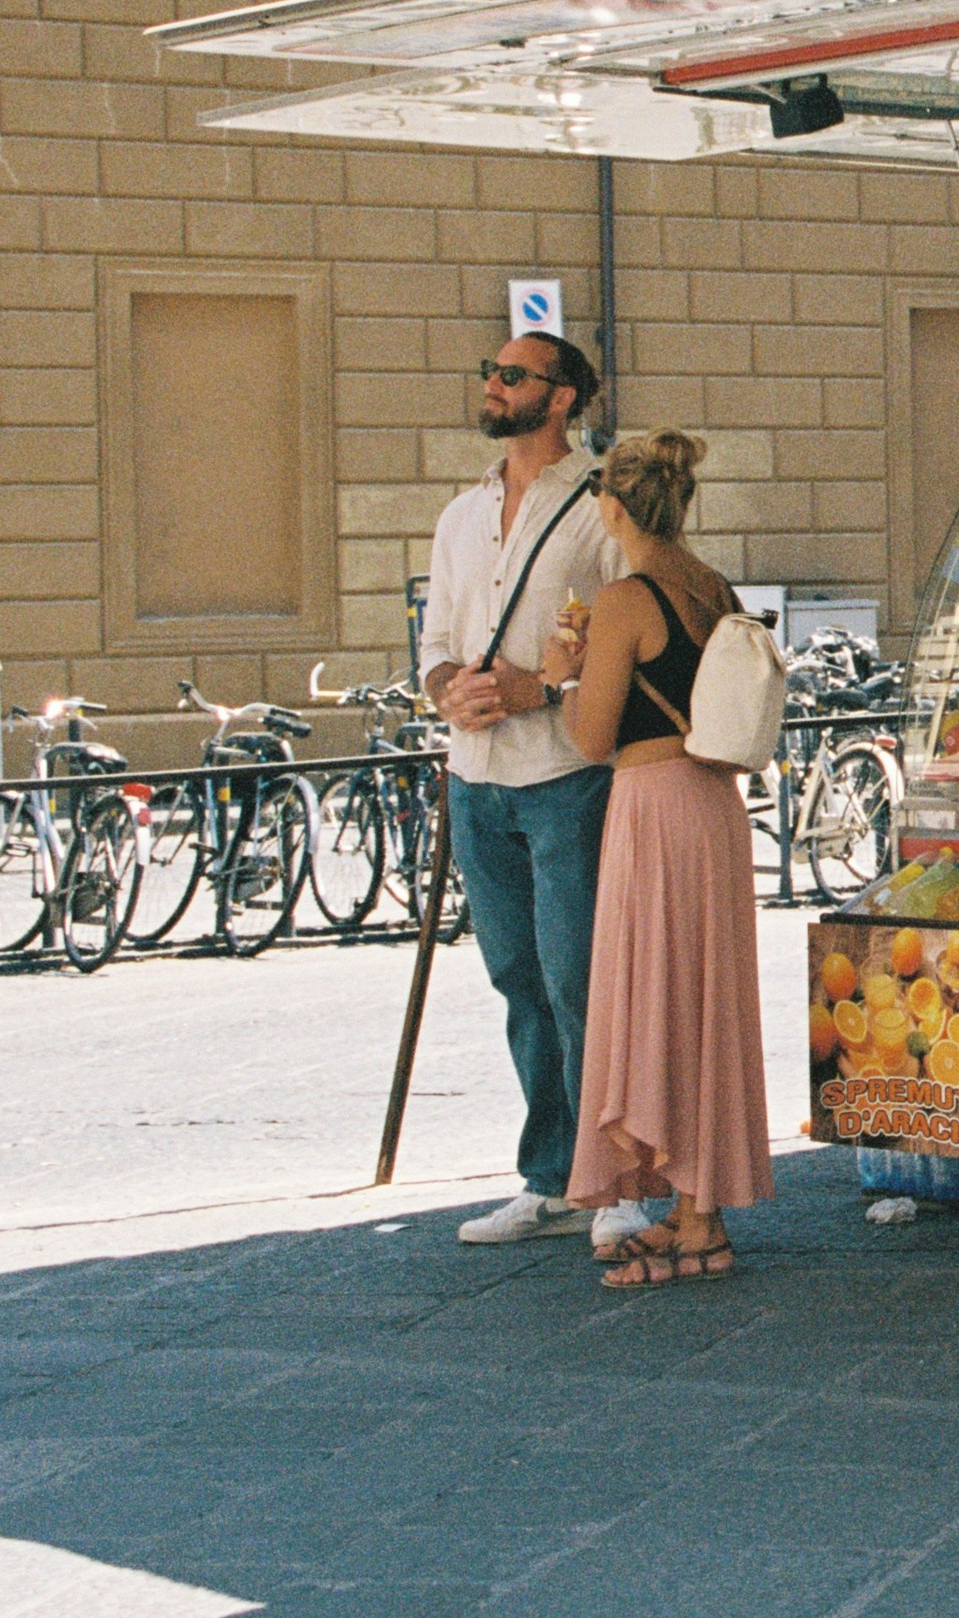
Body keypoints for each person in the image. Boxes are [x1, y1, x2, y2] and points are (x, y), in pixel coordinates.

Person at [539, 429, 774, 1288]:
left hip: (653, 805)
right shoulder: (710, 585)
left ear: (610, 506)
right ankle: (693, 1203)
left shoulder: (622, 598)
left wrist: (563, 672)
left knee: (656, 993)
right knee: (704, 997)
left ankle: (699, 1218)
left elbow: (593, 735)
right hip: (714, 803)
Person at [419, 332, 625, 1248]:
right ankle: (549, 1178)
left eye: (513, 375)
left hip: (564, 774)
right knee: (516, 977)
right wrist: (448, 691)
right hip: (477, 779)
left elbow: (634, 642)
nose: (493, 387)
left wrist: (539, 688)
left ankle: (612, 1180)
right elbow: (432, 645)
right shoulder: (460, 515)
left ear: (563, 397)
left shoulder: (599, 508)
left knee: (580, 977)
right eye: (490, 373)